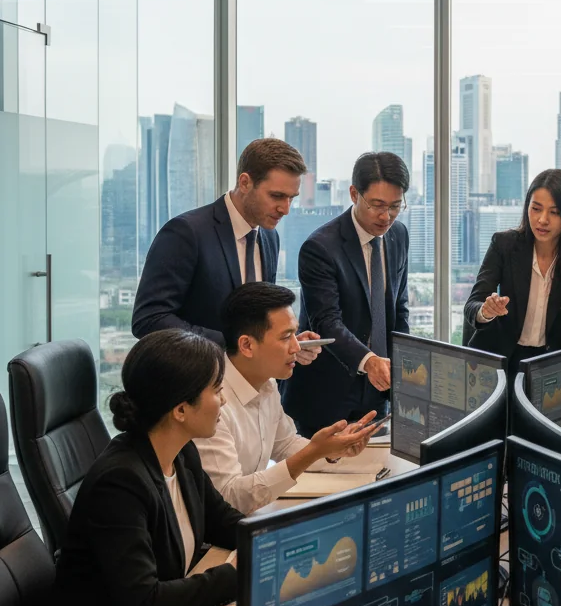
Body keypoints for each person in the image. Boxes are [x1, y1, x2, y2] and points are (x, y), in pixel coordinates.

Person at [30, 329, 244, 606]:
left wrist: (284, 539)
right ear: (181, 409)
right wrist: (232, 576)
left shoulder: (181, 452)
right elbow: (143, 605)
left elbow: (224, 522)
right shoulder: (122, 482)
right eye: (217, 390)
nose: (224, 400)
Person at [132, 138, 318, 368]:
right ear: (245, 182)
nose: (286, 209)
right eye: (277, 196)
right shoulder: (187, 232)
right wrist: (232, 345)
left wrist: (284, 343)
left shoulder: (270, 237)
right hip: (196, 385)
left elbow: (257, 323)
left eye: (292, 198)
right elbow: (149, 318)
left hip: (251, 387)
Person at [197, 283, 382, 514]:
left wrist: (333, 450)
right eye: (286, 337)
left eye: (295, 334)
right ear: (246, 345)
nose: (297, 347)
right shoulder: (212, 401)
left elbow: (285, 444)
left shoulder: (267, 383)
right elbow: (229, 497)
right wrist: (315, 451)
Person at [283, 152, 410, 436]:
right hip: (327, 393)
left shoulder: (398, 235)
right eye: (377, 205)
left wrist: (404, 365)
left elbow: (398, 309)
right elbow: (326, 321)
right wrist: (369, 362)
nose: (385, 216)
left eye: (395, 206)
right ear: (354, 194)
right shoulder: (321, 247)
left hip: (379, 393)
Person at [463, 169, 561, 381]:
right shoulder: (504, 245)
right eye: (536, 209)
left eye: (554, 212)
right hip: (498, 363)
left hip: (551, 365)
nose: (542, 220)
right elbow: (472, 305)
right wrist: (486, 311)